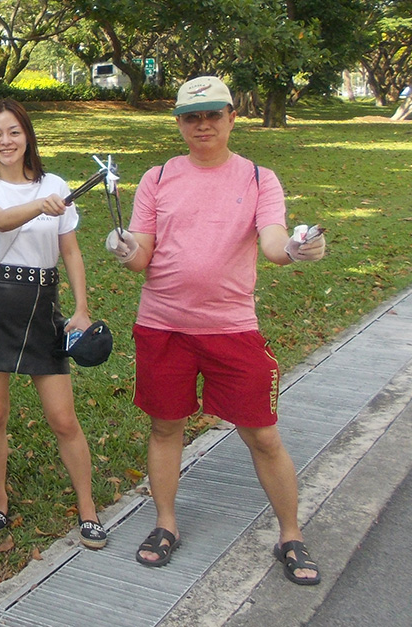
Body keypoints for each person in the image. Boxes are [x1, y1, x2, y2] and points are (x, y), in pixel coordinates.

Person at [106, 76, 326, 584]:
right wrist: (123, 248)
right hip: (162, 326)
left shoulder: (257, 178)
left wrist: (296, 249)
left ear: (231, 117)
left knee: (263, 436)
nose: (202, 125)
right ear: (179, 123)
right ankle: (165, 524)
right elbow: (142, 256)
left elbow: (273, 243)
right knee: (166, 427)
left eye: (212, 115)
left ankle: (290, 534)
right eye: (191, 116)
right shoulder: (158, 177)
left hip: (231, 329)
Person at [0, 99, 106, 549]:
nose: (5, 141)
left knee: (63, 418)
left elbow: (71, 252)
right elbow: (0, 222)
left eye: (13, 132)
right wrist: (41, 206)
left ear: (27, 135)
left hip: (43, 303)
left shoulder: (55, 184)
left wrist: (80, 309)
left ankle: (88, 509)